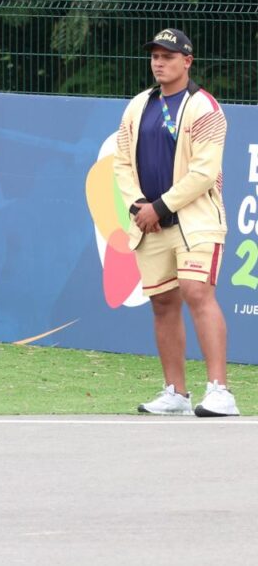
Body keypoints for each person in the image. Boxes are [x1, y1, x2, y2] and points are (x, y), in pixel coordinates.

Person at [113, 28, 238, 417]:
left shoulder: (205, 108)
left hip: (196, 220)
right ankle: (176, 394)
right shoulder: (137, 106)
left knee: (196, 292)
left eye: (168, 56)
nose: (159, 62)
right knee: (163, 303)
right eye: (154, 55)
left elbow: (203, 173)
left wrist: (160, 207)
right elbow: (121, 161)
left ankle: (220, 391)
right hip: (149, 222)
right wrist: (137, 206)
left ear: (187, 61)